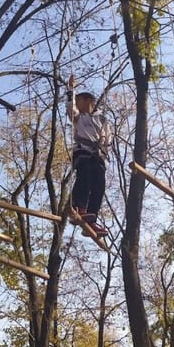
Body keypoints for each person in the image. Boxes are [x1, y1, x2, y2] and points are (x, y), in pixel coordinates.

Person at [66, 75, 111, 237]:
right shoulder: (79, 117)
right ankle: (79, 207)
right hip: (82, 151)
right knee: (84, 175)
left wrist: (103, 155)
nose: (77, 104)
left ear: (88, 101)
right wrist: (71, 90)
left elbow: (107, 138)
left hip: (97, 155)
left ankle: (92, 218)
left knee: (99, 184)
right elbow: (71, 107)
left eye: (80, 101)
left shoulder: (102, 119)